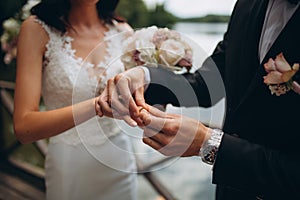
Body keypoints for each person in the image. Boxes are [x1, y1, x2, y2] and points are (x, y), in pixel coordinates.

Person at [97, 0, 300, 199]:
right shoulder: (247, 4)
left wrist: (209, 143)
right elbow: (209, 82)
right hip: (231, 191)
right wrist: (146, 77)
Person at [13, 0, 137, 199]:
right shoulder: (36, 30)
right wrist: (97, 105)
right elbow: (23, 127)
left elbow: (139, 98)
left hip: (119, 160)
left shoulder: (124, 31)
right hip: (69, 164)